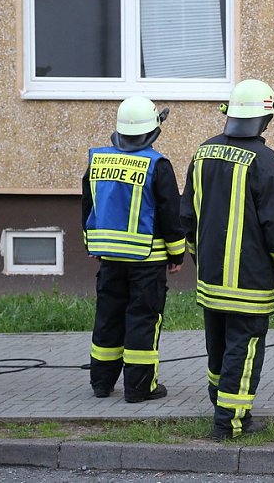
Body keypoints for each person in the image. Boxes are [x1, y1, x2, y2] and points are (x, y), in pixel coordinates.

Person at [180, 79, 274, 440]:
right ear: (266, 119)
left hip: (210, 279)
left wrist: (198, 259)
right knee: (243, 349)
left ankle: (220, 403)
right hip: (248, 283)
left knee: (217, 347)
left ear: (230, 114)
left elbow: (187, 217)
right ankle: (231, 421)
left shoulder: (203, 153)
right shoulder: (266, 162)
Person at [82, 96, 185, 403]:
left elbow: (88, 205)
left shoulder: (98, 159)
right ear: (152, 130)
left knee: (108, 317)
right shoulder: (157, 165)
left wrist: (93, 242)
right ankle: (140, 388)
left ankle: (101, 383)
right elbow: (170, 212)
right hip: (147, 260)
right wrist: (176, 253)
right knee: (143, 319)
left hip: (109, 258)